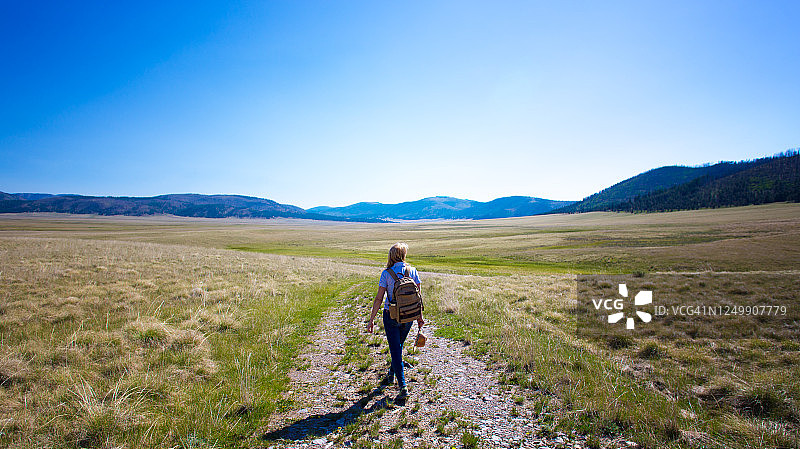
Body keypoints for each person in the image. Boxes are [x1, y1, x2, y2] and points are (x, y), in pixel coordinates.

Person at [366, 242, 424, 402]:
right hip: (408, 316)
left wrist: (371, 319)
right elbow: (418, 297)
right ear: (404, 255)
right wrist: (419, 317)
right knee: (398, 348)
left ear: (391, 256)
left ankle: (403, 387)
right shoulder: (413, 271)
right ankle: (391, 374)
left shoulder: (386, 274)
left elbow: (379, 298)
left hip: (390, 315)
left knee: (395, 349)